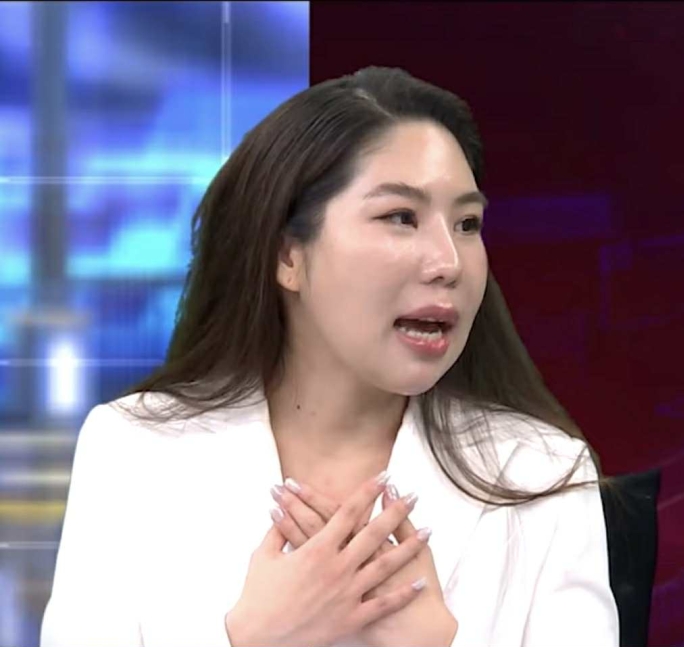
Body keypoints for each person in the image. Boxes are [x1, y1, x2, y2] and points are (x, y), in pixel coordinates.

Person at [40, 66, 619, 647]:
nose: (449, 262)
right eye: (401, 217)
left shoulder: (543, 473)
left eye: (467, 224)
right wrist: (252, 641)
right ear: (287, 255)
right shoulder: (133, 450)